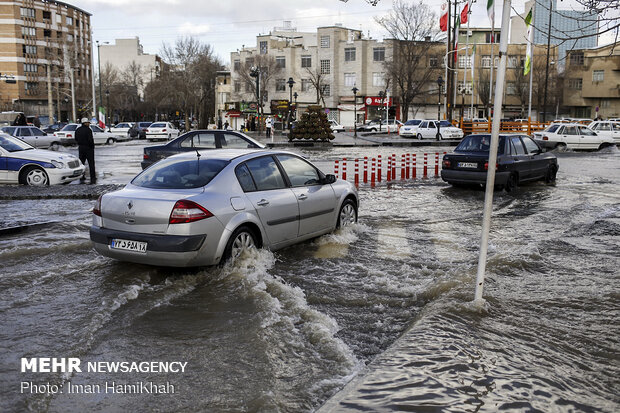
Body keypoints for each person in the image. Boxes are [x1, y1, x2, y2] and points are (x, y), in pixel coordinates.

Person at [75, 117, 96, 184]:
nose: (89, 124)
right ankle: (93, 177)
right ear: (85, 123)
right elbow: (90, 140)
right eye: (88, 123)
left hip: (81, 148)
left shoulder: (78, 130)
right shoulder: (88, 130)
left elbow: (76, 138)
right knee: (91, 163)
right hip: (88, 148)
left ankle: (82, 176)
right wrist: (92, 146)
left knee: (82, 163)